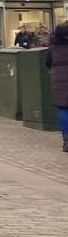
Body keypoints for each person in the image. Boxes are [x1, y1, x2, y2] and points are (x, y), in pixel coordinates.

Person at [47, 21, 68, 152]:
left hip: (59, 78)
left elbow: (48, 62)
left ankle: (66, 140)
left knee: (63, 107)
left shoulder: (54, 45)